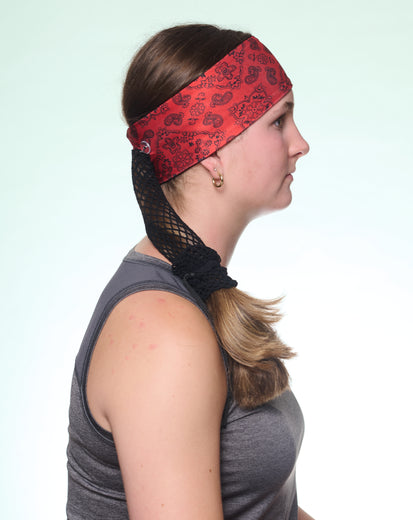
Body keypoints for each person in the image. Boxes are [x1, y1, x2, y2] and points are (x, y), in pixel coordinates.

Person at [66, 24, 313, 520]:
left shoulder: (196, 295)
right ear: (212, 151)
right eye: (279, 122)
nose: (301, 143)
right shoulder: (164, 330)